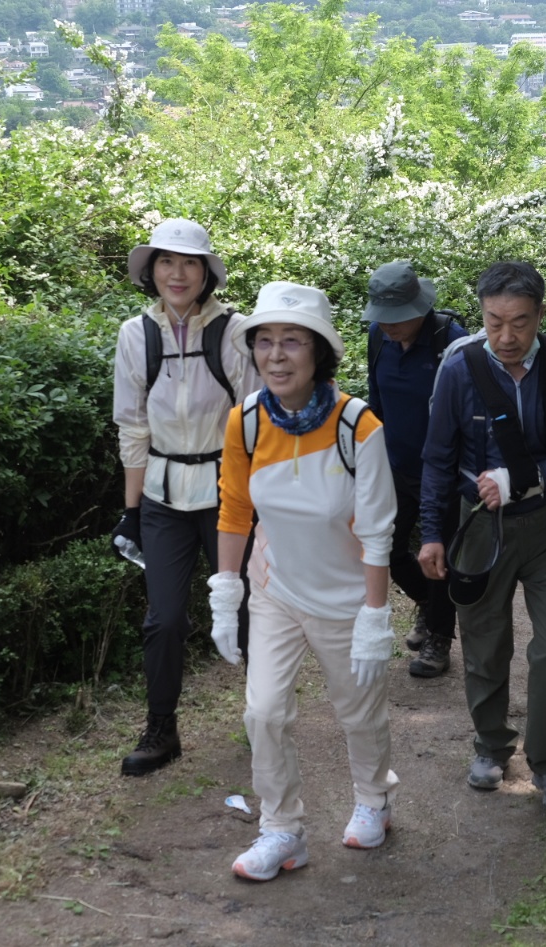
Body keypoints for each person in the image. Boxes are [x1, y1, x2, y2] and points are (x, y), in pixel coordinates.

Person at [210, 281, 399, 881]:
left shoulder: (357, 426)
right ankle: (282, 831)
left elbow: (377, 530)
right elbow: (234, 511)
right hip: (276, 591)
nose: (276, 355)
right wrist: (226, 593)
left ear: (319, 352)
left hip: (345, 599)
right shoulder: (244, 422)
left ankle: (374, 799)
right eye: (264, 341)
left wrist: (375, 618)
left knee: (359, 712)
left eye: (292, 341)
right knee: (264, 713)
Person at [417, 261, 546, 811]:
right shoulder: (460, 368)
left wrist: (523, 479)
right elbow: (437, 458)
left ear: (540, 315)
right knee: (484, 643)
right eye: (494, 322)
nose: (506, 336)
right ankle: (491, 745)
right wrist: (432, 533)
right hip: (480, 526)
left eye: (519, 322)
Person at [109, 218, 258, 778]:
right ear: (151, 272)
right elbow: (132, 427)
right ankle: (161, 729)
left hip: (228, 495)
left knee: (246, 607)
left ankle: (264, 714)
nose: (177, 274)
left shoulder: (236, 332)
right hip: (163, 496)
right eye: (166, 263)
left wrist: (261, 503)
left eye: (189, 263)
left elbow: (255, 421)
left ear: (205, 273)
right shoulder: (135, 335)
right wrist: (131, 512)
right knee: (164, 619)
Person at [364, 261, 469, 678]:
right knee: (384, 548)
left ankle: (439, 639)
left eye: (396, 317)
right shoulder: (378, 338)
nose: (388, 324)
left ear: (419, 308)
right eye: (382, 316)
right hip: (394, 466)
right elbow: (376, 403)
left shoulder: (451, 341)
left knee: (437, 554)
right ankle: (427, 602)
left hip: (443, 471)